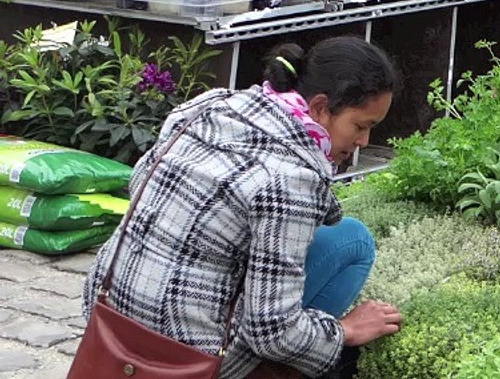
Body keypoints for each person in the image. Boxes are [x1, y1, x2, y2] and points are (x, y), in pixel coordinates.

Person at [82, 37, 404, 379]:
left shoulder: (209, 105)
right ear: (321, 108)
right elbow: (271, 331)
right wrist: (344, 331)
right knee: (352, 241)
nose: (364, 143)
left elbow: (141, 182)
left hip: (107, 316)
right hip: (186, 359)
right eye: (361, 126)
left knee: (330, 237)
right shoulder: (291, 178)